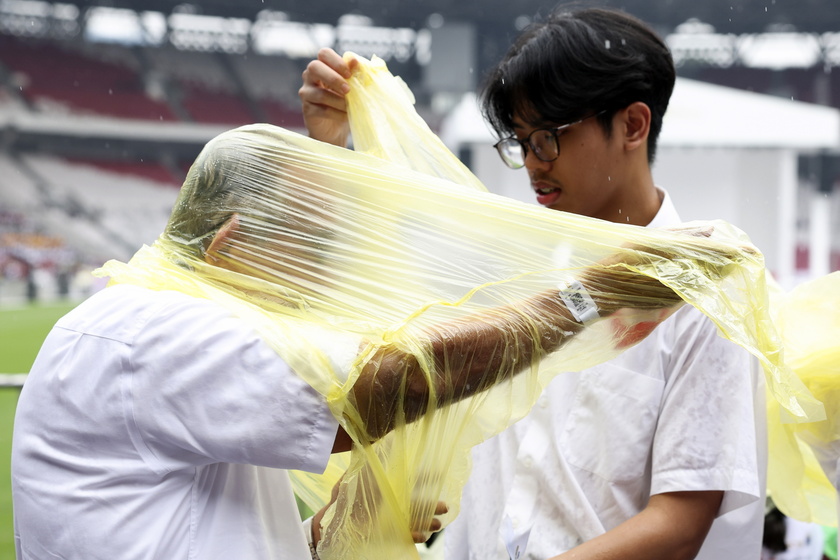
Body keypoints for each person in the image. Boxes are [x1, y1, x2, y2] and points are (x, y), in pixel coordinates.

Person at [11, 120, 702, 560]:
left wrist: (345, 525)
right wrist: (588, 298)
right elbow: (385, 385)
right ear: (230, 246)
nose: (319, 288)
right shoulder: (151, 331)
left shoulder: (174, 330)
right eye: (310, 255)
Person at [299, 6, 766, 560]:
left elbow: (678, 523)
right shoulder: (520, 269)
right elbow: (359, 287)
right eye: (518, 141)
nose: (530, 164)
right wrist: (328, 147)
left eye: (546, 137)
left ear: (633, 125)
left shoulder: (701, 293)